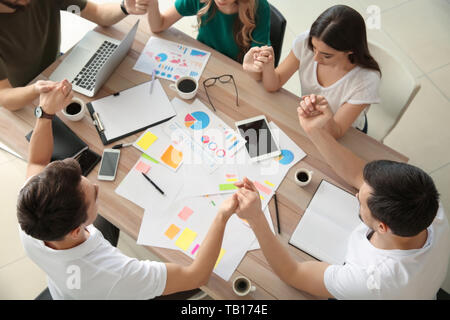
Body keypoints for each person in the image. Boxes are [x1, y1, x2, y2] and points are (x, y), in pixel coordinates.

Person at [16, 81, 239, 299]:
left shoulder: (31, 208)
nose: (96, 186)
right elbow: (196, 276)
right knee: (212, 287)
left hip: (65, 288)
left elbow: (36, 162)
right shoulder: (116, 276)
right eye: (93, 195)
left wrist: (45, 113)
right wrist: (222, 215)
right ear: (76, 230)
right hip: (105, 291)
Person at [232, 96, 450, 299]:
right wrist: (315, 131)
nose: (356, 193)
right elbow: (357, 174)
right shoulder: (427, 201)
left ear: (382, 227)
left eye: (361, 201)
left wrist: (256, 219)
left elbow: (293, 273)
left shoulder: (370, 281)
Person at [243, 5, 381, 137]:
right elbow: (273, 84)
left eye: (327, 55)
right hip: (310, 120)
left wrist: (326, 116)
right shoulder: (305, 42)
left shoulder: (366, 80)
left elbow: (337, 131)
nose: (315, 58)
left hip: (345, 132)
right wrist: (268, 65)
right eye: (314, 48)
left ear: (350, 51)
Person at [0, 0, 149, 111]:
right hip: (25, 93)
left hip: (57, 69)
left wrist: (125, 7)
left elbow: (98, 14)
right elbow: (5, 97)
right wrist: (36, 89)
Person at [146, 0, 271, 62]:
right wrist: (151, 4)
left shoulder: (259, 8)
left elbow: (257, 68)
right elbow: (158, 25)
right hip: (202, 60)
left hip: (236, 70)